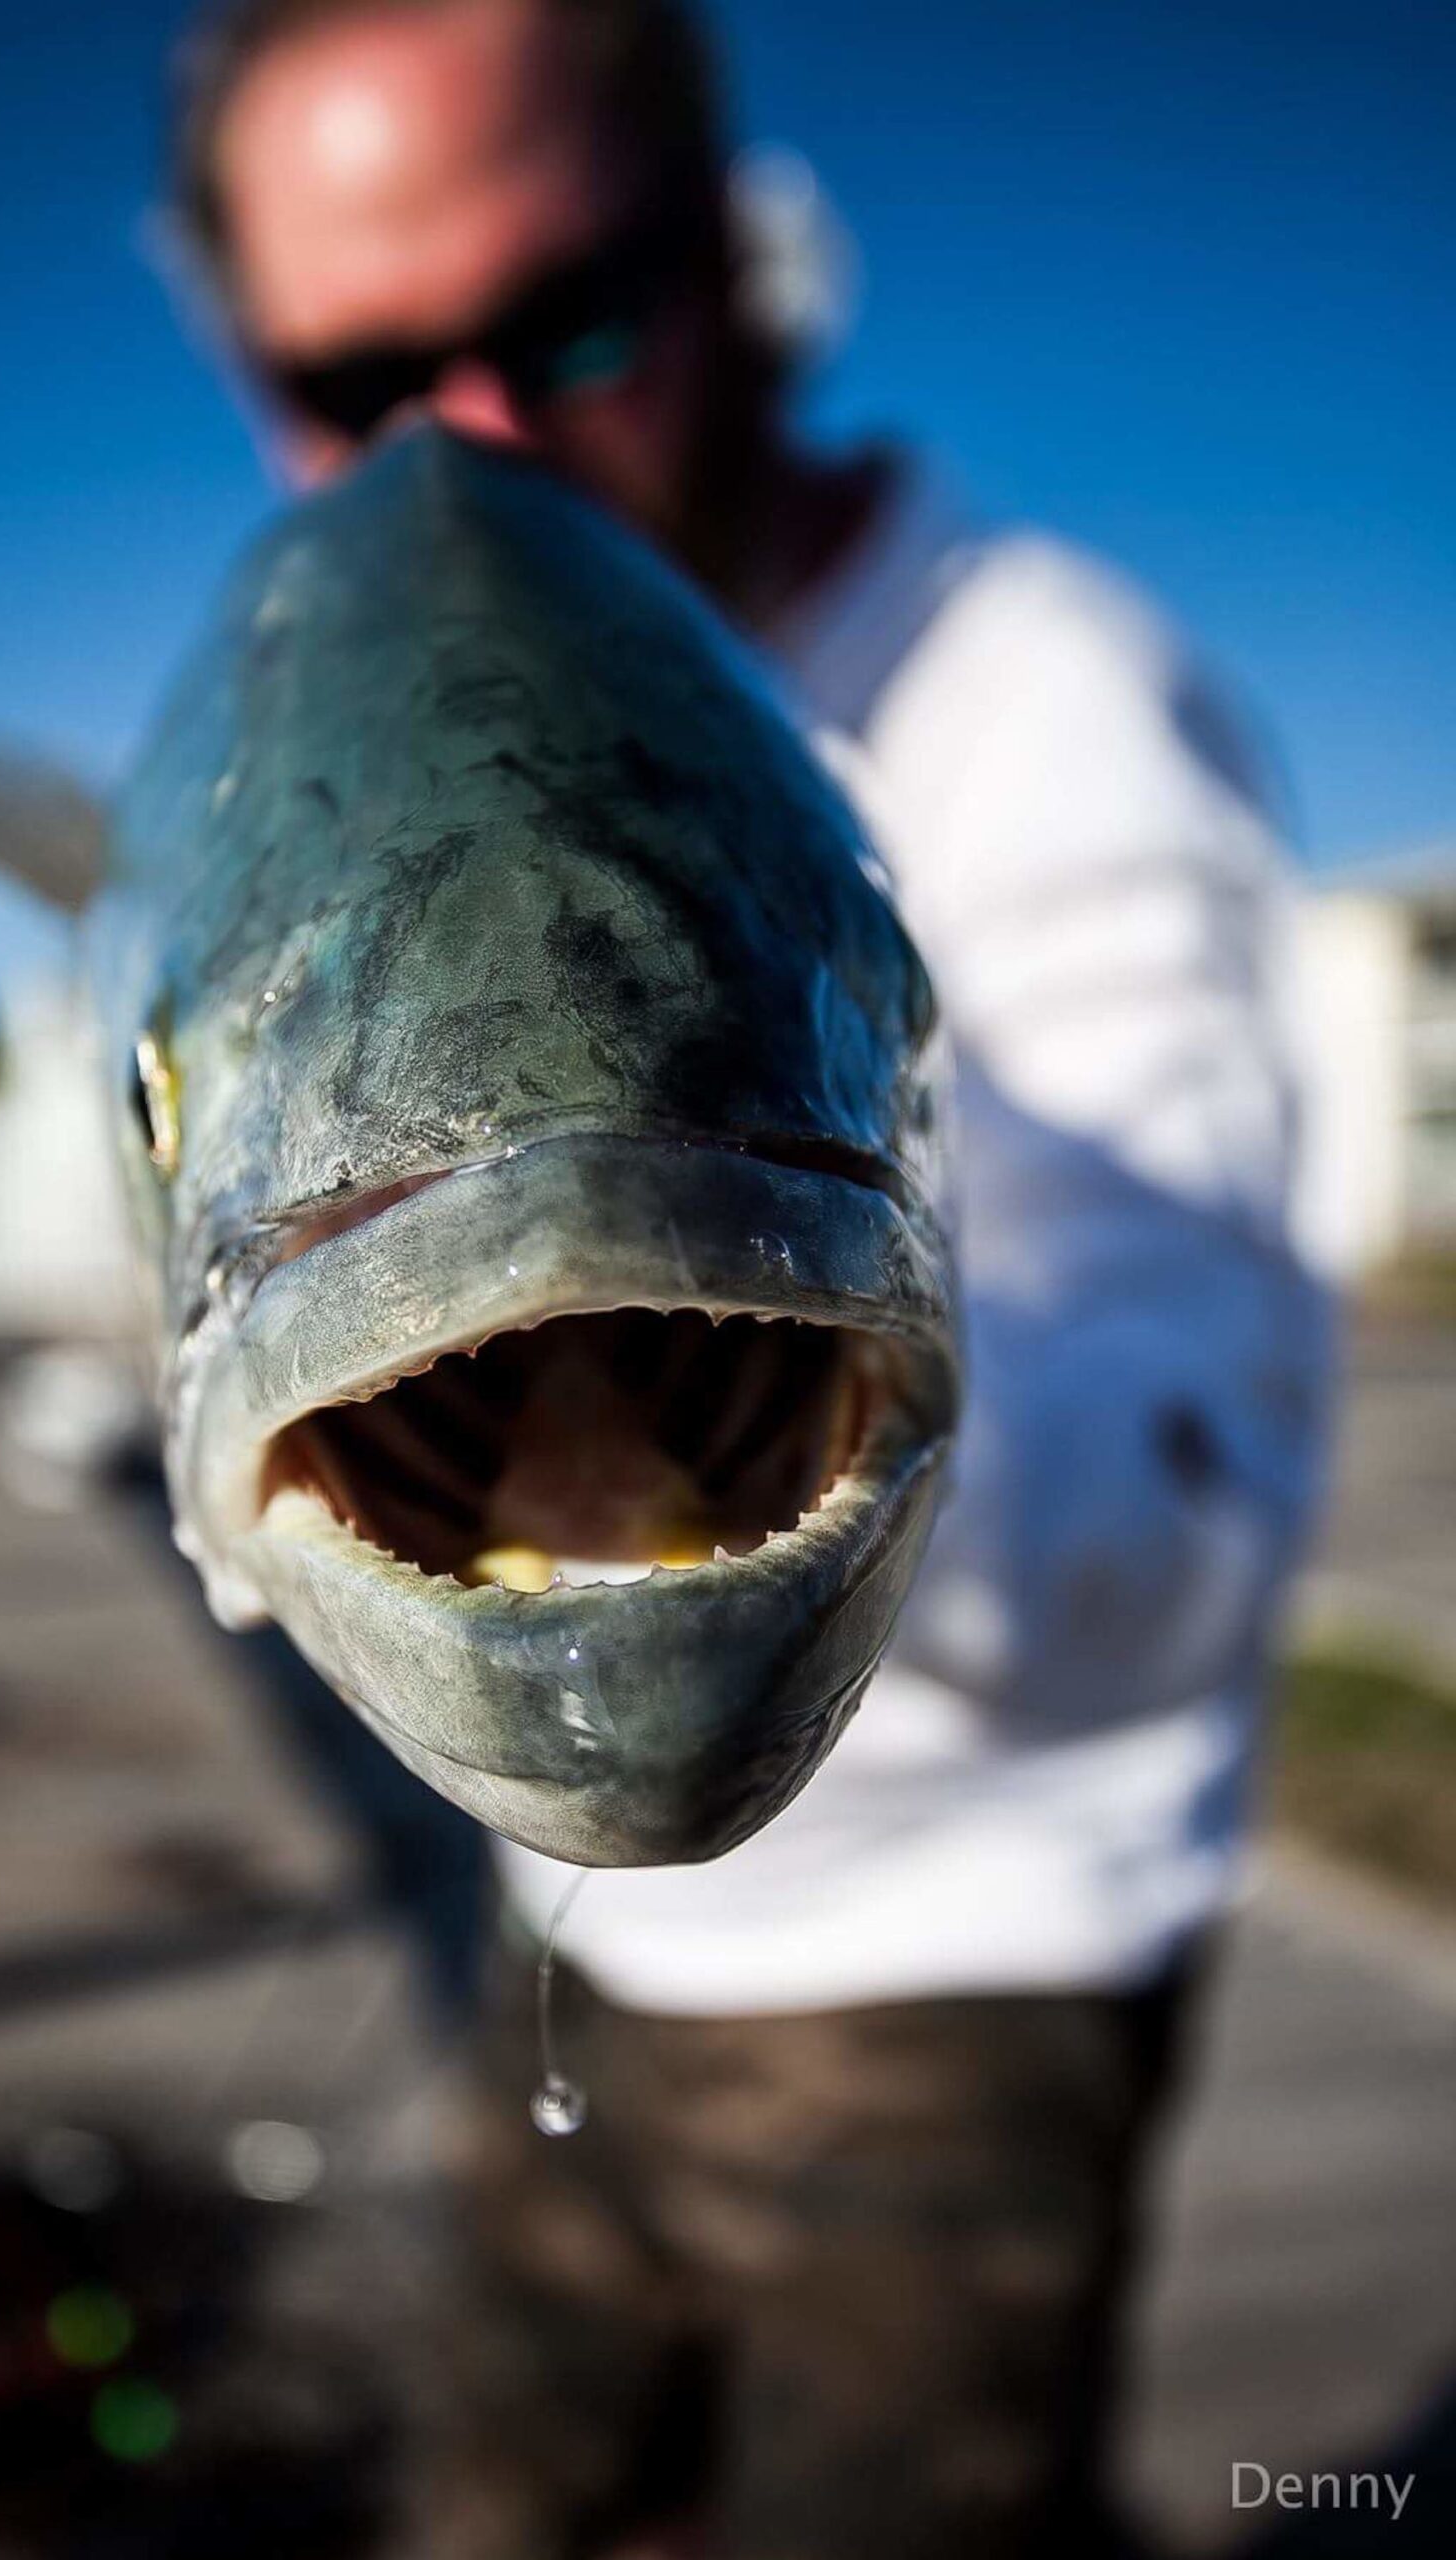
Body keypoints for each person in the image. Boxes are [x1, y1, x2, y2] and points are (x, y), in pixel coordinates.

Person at [164, 3, 1333, 2552]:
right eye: (351, 374)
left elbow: (1170, 1547)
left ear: (739, 257)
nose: (464, 434)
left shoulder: (1047, 701)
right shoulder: (319, 732)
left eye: (566, 317)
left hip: (962, 1972)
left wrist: (808, 1210)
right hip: (574, 1950)